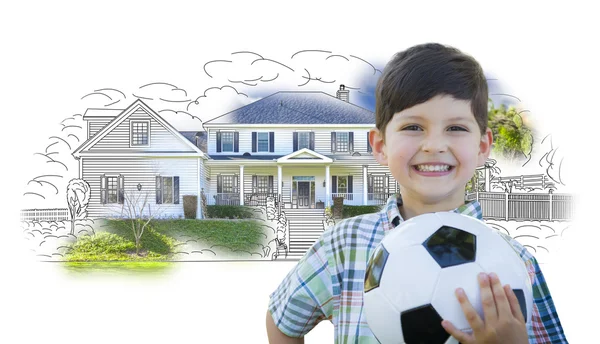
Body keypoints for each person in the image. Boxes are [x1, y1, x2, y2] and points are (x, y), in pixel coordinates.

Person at [266, 43, 567, 343]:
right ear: (381, 146)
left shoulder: (514, 261)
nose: (434, 145)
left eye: (456, 128)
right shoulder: (343, 245)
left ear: (482, 147)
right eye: (413, 126)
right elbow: (282, 320)